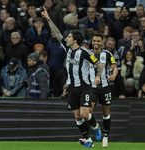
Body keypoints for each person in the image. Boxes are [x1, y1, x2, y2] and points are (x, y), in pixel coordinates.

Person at [41, 7, 104, 148]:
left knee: (84, 114)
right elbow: (56, 33)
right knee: (77, 116)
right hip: (72, 87)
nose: (66, 38)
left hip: (84, 87)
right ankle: (88, 140)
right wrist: (48, 18)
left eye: (69, 37)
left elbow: (99, 65)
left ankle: (95, 126)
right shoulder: (67, 48)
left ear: (75, 40)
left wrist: (98, 76)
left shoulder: (85, 53)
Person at [88, 33, 118, 147]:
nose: (96, 43)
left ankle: (105, 136)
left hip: (105, 87)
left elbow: (114, 68)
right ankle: (92, 131)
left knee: (106, 113)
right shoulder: (87, 54)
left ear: (102, 42)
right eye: (94, 41)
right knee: (88, 112)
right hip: (91, 88)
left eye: (98, 41)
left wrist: (114, 75)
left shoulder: (107, 54)